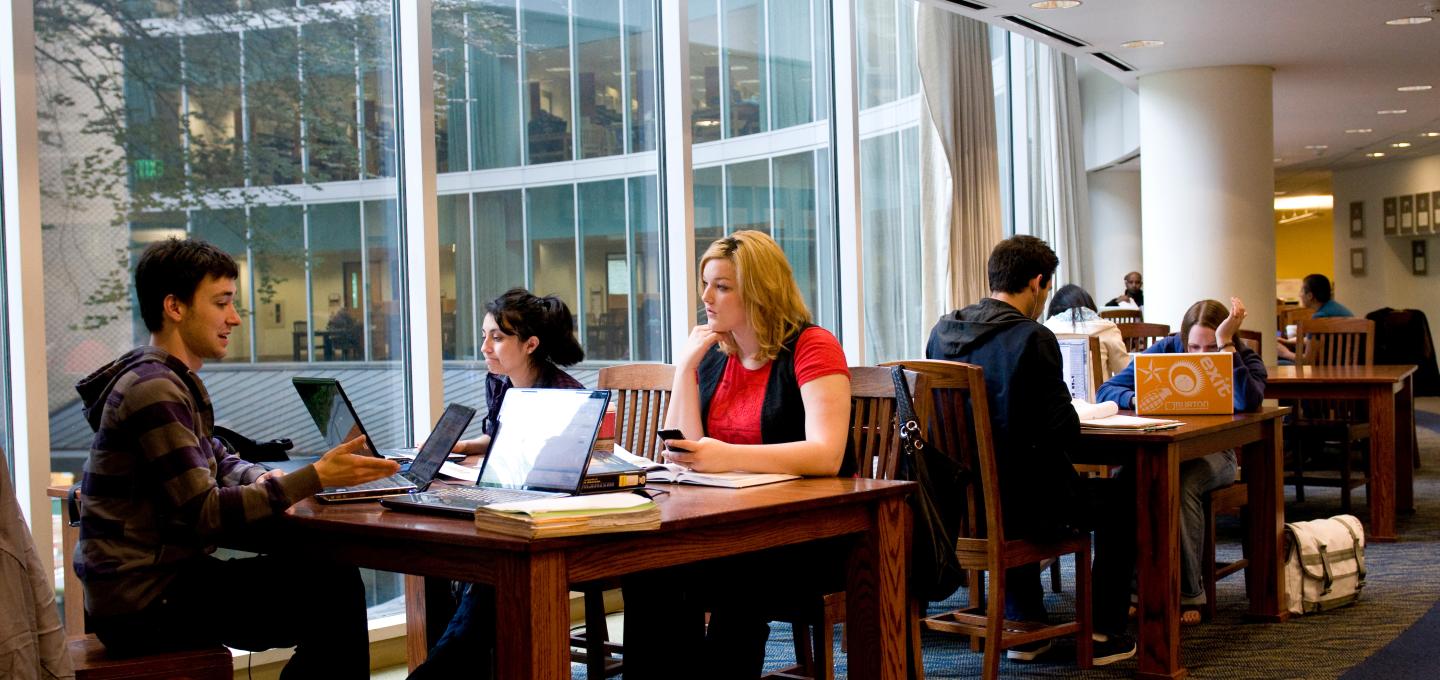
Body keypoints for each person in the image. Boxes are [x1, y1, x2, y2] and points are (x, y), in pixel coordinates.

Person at [74, 238, 400, 675]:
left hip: (142, 588)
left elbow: (217, 456)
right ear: (175, 306)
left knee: (326, 578)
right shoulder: (154, 389)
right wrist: (314, 478)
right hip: (146, 601)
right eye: (222, 302)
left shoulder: (158, 378)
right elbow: (205, 513)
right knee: (333, 588)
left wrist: (258, 477)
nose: (234, 318)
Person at [623, 230, 852, 679]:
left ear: (761, 291)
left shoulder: (811, 346)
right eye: (706, 283)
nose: (706, 296)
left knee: (735, 581)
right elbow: (682, 450)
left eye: (722, 286)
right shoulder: (716, 352)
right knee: (648, 571)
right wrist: (685, 368)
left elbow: (827, 454)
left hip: (805, 533)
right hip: (729, 528)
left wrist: (728, 455)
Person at [925, 235, 1136, 665]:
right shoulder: (1031, 338)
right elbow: (1063, 432)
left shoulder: (942, 332)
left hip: (956, 505)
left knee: (1012, 470)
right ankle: (1102, 628)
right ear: (1038, 283)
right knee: (1123, 496)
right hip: (1022, 508)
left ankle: (1026, 626)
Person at [410, 288, 585, 679]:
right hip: (510, 496)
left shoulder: (565, 396)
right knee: (440, 549)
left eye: (497, 337)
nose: (485, 347)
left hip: (549, 516)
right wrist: (467, 444)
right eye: (485, 335)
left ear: (531, 344)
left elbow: (553, 467)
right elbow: (502, 436)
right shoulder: (503, 382)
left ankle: (439, 672)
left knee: (488, 565)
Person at [1097, 297, 1266, 624]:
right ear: (1182, 340)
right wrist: (1139, 396)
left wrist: (1225, 347)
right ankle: (1133, 588)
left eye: (1209, 348)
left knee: (1185, 480)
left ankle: (1190, 592)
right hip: (1166, 448)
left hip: (1218, 454)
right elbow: (1108, 390)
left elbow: (1250, 400)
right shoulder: (1166, 349)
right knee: (1127, 479)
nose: (1201, 356)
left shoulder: (1242, 355)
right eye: (1193, 347)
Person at [1043, 283, 1132, 378]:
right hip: (1099, 393)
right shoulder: (1107, 329)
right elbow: (1124, 372)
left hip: (1055, 393)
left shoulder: (1046, 329)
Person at [1277, 273, 1353, 361]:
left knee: (1278, 363)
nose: (1299, 295)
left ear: (1310, 296)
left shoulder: (1320, 317)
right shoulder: (1334, 308)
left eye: (1301, 290)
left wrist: (1284, 353)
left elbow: (1308, 360)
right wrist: (1287, 342)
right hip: (1348, 366)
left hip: (1328, 369)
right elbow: (1319, 341)